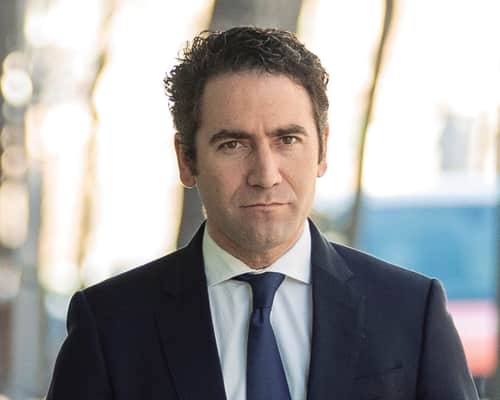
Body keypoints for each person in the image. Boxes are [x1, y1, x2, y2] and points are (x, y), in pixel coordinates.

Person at [47, 27, 479, 400]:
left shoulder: (411, 311)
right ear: (186, 160)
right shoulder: (111, 326)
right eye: (233, 144)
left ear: (322, 150)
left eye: (287, 140)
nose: (265, 175)